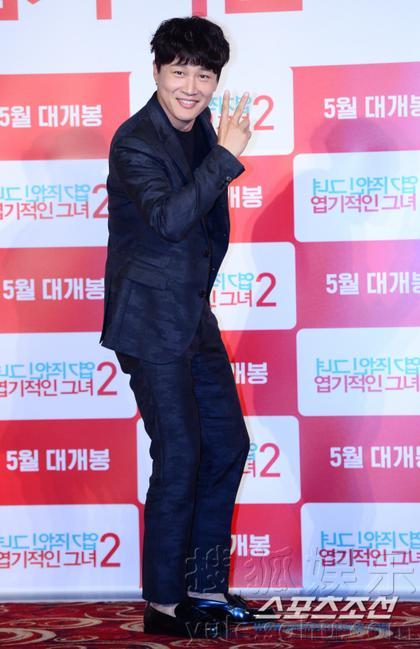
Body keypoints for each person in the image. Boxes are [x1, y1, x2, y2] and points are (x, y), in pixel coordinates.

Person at [100, 15, 257, 639]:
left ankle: (205, 590)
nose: (191, 86)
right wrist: (225, 158)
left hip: (192, 314)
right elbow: (167, 219)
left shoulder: (203, 129)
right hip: (149, 322)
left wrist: (217, 153)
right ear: (157, 71)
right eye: (179, 71)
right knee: (180, 456)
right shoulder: (135, 140)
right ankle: (165, 606)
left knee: (228, 445)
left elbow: (206, 228)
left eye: (204, 74)